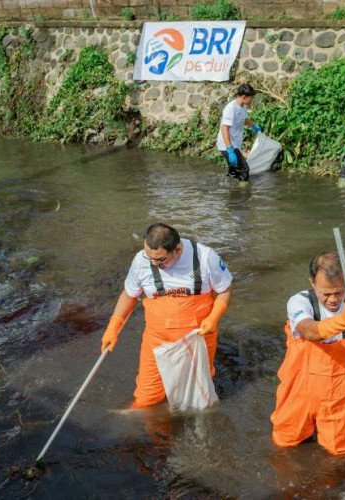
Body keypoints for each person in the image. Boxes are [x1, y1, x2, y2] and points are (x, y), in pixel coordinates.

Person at [100, 223, 233, 408]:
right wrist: (113, 326)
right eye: (150, 257)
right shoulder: (141, 261)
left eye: (161, 260)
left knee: (196, 399)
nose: (155, 264)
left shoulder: (205, 257)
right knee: (147, 398)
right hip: (157, 339)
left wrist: (213, 318)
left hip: (197, 338)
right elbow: (129, 294)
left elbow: (225, 290)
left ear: (177, 249)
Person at [271, 251, 345, 455]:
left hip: (339, 392)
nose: (333, 299)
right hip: (298, 389)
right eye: (326, 293)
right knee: (285, 445)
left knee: (341, 450)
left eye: (339, 292)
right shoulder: (299, 301)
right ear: (312, 283)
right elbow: (309, 330)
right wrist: (343, 320)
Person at [216, 83, 262, 184]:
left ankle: (228, 188)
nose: (252, 100)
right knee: (244, 170)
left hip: (234, 143)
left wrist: (254, 127)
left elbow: (245, 119)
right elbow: (224, 129)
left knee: (234, 170)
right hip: (226, 144)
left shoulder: (243, 106)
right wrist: (230, 150)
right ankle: (242, 195)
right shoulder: (230, 108)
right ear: (244, 97)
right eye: (251, 98)